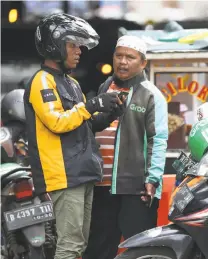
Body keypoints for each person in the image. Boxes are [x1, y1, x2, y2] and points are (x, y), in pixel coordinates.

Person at [24, 13, 122, 259]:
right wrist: (92, 104)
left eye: (80, 46)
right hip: (63, 175)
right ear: (54, 45)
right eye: (73, 45)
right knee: (70, 246)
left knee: (78, 244)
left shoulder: (71, 83)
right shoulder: (42, 81)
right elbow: (57, 122)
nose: (79, 51)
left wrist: (108, 113)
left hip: (81, 173)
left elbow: (84, 124)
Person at [84, 35, 168, 259]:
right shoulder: (105, 87)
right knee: (98, 249)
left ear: (143, 63)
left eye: (130, 57)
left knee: (138, 250)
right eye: (118, 56)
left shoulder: (152, 95)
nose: (122, 61)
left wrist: (153, 180)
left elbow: (158, 140)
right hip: (102, 184)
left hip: (136, 187)